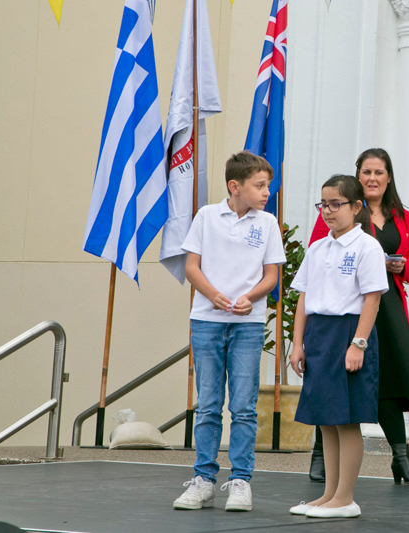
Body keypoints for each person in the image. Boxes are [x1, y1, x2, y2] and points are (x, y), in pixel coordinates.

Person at [309, 148, 409, 485]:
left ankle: (400, 457)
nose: (372, 178)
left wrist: (401, 265)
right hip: (348, 304)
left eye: (379, 172)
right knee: (335, 382)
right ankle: (320, 457)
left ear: (389, 177)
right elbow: (317, 255)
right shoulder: (341, 208)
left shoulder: (402, 216)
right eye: (366, 172)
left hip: (388, 306)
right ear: (357, 175)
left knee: (388, 382)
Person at [173, 152, 286, 512]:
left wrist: (248, 297)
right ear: (235, 186)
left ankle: (240, 481)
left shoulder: (268, 223)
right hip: (207, 321)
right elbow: (191, 266)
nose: (267, 191)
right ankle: (203, 479)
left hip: (248, 324)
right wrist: (214, 296)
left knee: (244, 406)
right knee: (207, 405)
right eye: (260, 185)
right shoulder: (206, 216)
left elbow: (272, 275)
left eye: (267, 185)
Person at [288, 175, 388, 519]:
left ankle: (345, 497)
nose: (328, 211)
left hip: (348, 332)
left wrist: (358, 343)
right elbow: (303, 298)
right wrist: (297, 343)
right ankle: (329, 494)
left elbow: (372, 298)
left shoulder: (366, 247)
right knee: (326, 419)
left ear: (357, 207)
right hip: (319, 334)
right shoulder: (318, 248)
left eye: (336, 204)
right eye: (324, 204)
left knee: (347, 419)